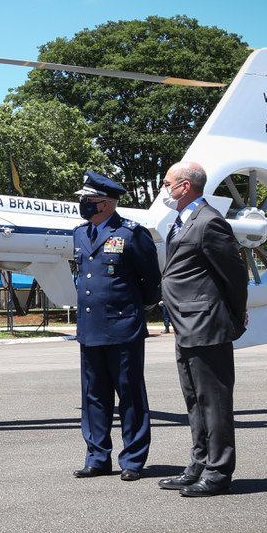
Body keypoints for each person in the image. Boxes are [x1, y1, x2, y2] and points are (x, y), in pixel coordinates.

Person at [157, 161, 249, 497]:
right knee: (195, 401)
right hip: (186, 323)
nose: (163, 189)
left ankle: (219, 472)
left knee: (215, 402)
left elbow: (235, 274)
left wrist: (236, 315)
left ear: (184, 186)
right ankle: (199, 464)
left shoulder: (209, 221)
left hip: (207, 323)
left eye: (166, 183)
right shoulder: (182, 221)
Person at [70, 171, 161, 482]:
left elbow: (151, 282)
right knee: (94, 396)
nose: (82, 205)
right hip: (90, 327)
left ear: (106, 204)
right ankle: (97, 457)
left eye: (88, 201)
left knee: (130, 394)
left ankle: (133, 460)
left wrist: (136, 311)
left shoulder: (132, 234)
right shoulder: (80, 234)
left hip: (123, 328)